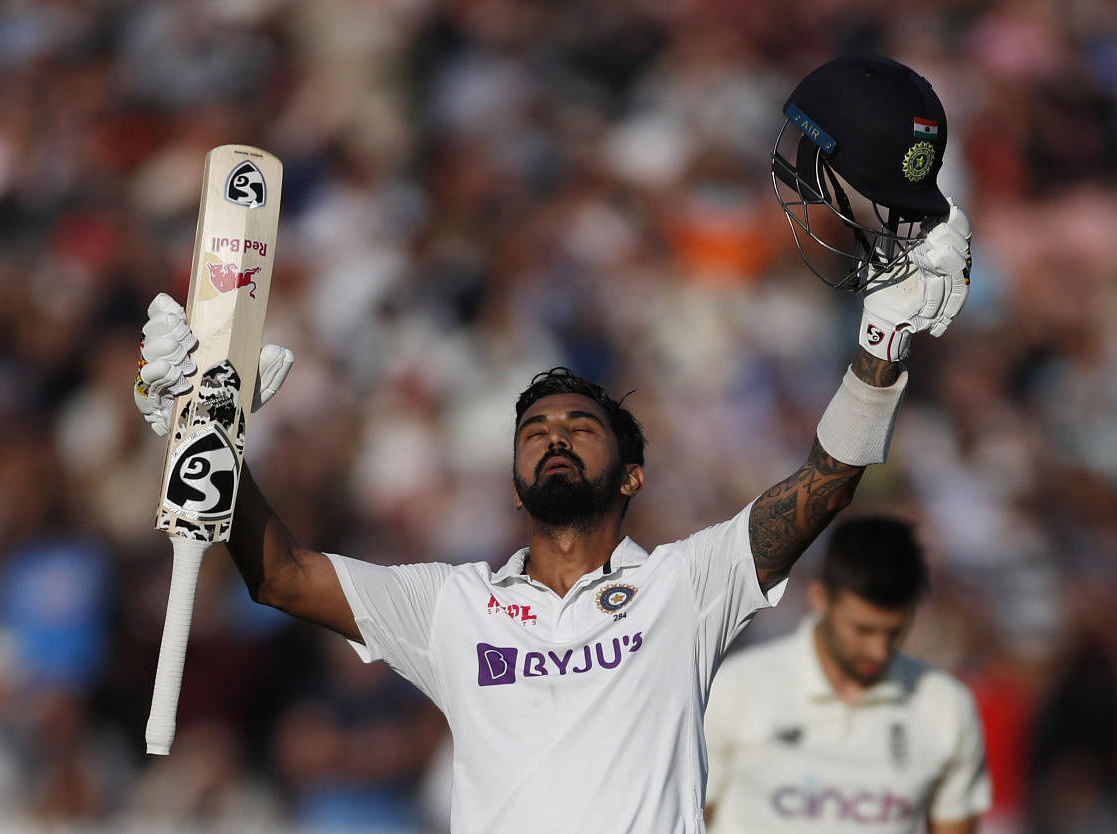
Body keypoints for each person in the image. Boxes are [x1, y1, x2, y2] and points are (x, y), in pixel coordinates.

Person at [134, 54, 972, 833]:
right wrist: (205, 437)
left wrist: (881, 352)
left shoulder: (687, 586)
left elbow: (828, 482)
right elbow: (280, 576)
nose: (556, 437)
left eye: (580, 425)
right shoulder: (450, 608)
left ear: (634, 474)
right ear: (513, 482)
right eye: (534, 431)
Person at [703, 516, 992, 834]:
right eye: (862, 629)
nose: (879, 650)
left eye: (893, 631)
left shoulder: (945, 706)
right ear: (820, 598)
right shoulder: (736, 688)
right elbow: (689, 817)